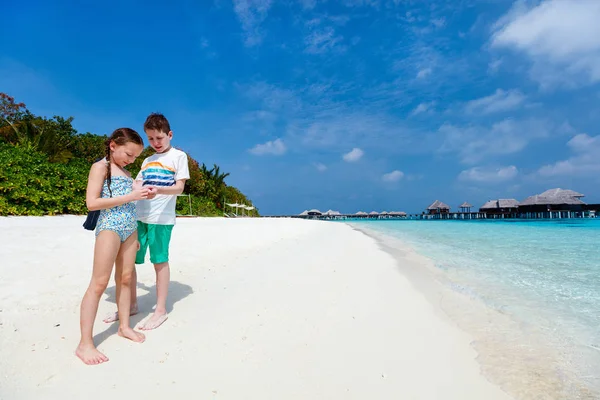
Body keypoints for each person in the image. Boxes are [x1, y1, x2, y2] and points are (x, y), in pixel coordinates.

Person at [104, 113, 189, 330]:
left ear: (169, 134)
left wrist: (157, 189)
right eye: (150, 139)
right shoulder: (146, 160)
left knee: (159, 261)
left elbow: (179, 188)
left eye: (159, 138)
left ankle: (160, 310)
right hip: (138, 217)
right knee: (129, 262)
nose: (155, 143)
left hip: (161, 219)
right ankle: (131, 304)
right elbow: (137, 183)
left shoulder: (179, 156)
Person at [76, 127, 152, 365]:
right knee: (99, 283)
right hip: (109, 228)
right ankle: (84, 343)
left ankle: (124, 327)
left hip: (130, 229)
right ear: (113, 146)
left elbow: (131, 204)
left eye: (135, 157)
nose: (131, 160)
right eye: (129, 154)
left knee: (126, 278)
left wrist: (142, 195)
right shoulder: (101, 167)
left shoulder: (127, 174)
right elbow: (92, 202)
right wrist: (132, 196)